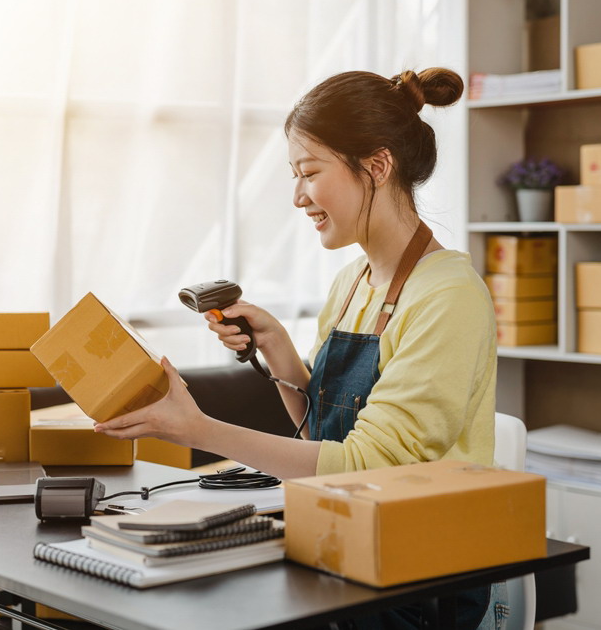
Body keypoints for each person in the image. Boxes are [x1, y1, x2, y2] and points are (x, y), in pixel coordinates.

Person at [94, 67, 499, 630]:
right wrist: (280, 350)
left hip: (414, 580)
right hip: (346, 542)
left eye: (309, 172)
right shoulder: (353, 282)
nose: (298, 196)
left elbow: (364, 468)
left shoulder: (449, 296)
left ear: (378, 166)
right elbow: (324, 440)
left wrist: (197, 429)